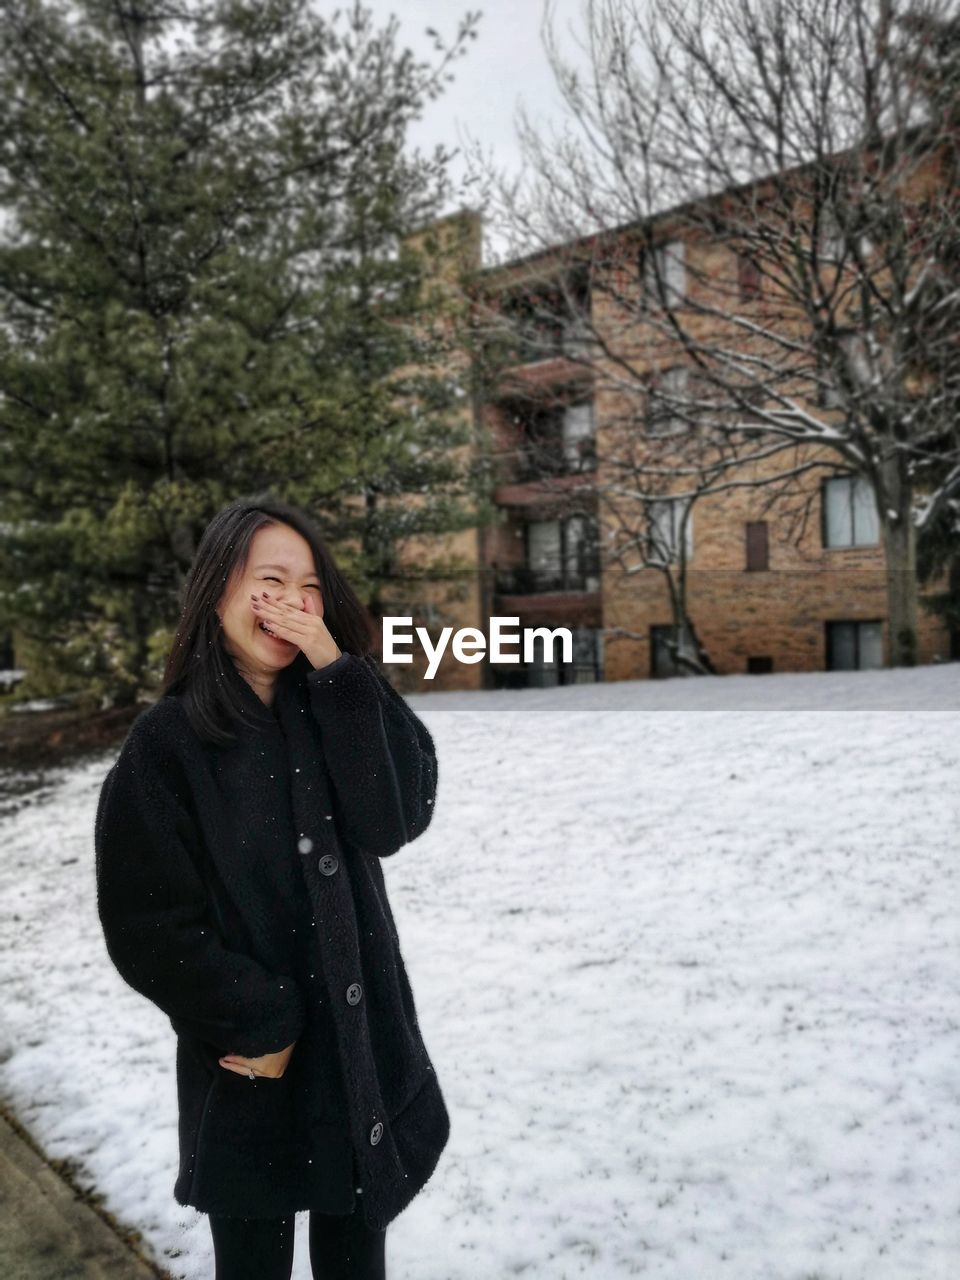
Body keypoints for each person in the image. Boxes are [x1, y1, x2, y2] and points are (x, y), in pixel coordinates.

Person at [94, 494, 450, 1280]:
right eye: (270, 579)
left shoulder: (334, 704)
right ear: (218, 591)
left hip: (357, 1062)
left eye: (311, 585)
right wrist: (262, 1022)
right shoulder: (168, 745)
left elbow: (395, 816)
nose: (292, 601)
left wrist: (340, 671)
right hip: (257, 1074)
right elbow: (147, 926)